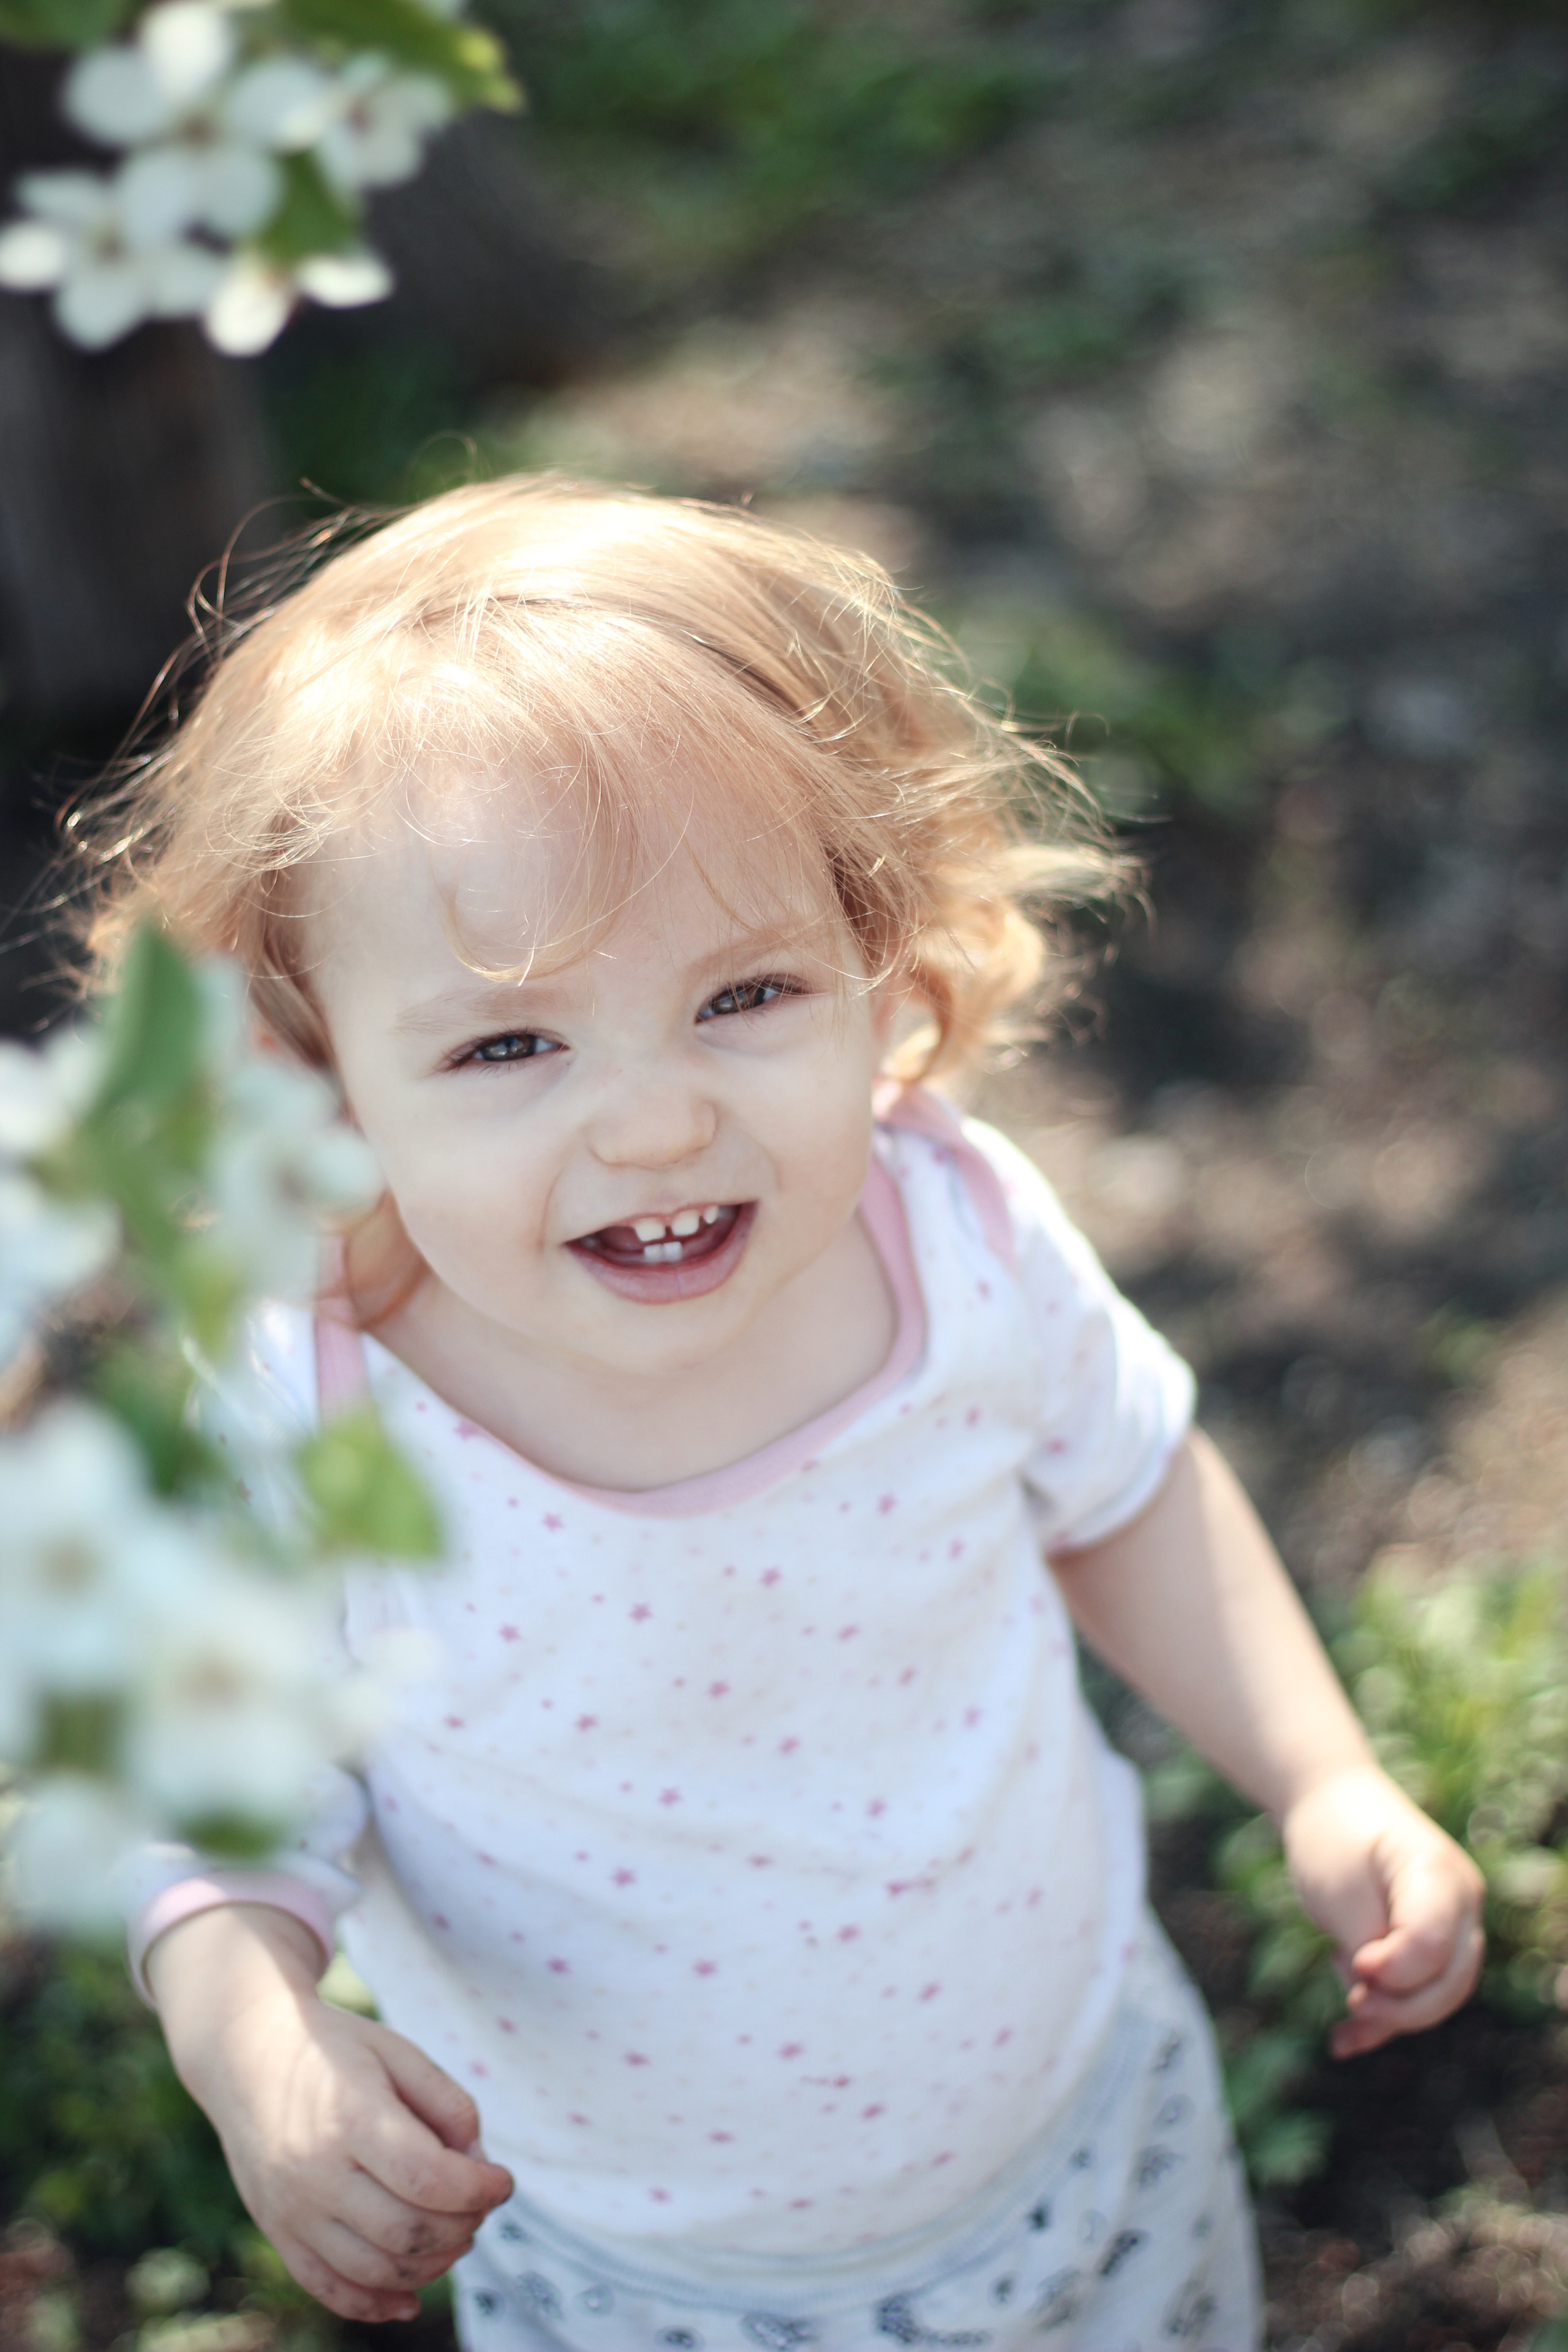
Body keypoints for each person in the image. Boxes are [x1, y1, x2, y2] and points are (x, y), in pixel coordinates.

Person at [86, 478, 1483, 2352]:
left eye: (743, 994)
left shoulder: (950, 1233)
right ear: (316, 1079)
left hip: (1086, 2131)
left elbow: (1129, 1485)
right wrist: (257, 2045)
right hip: (647, 2272)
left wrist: (1322, 1776)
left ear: (872, 951)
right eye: (511, 1042)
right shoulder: (311, 1413)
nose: (658, 1120)